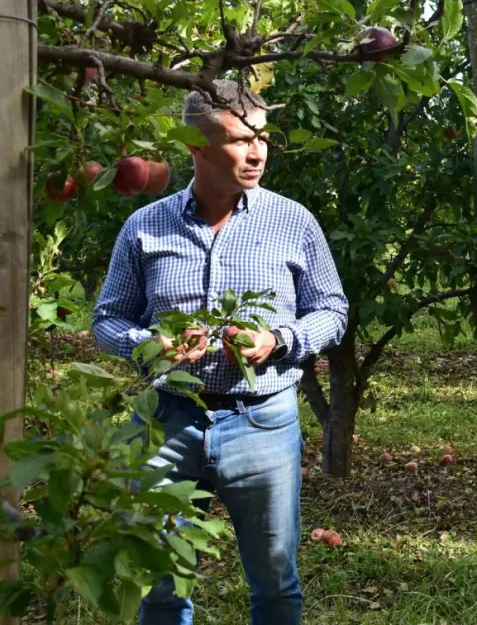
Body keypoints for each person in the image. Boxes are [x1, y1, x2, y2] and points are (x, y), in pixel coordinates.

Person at [92, 80, 349, 625]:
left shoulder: (292, 221)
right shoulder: (145, 225)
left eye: (262, 137)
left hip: (263, 423)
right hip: (167, 423)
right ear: (196, 146)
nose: (256, 152)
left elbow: (332, 310)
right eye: (238, 139)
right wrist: (149, 346)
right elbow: (108, 317)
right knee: (162, 586)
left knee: (276, 583)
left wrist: (280, 341)